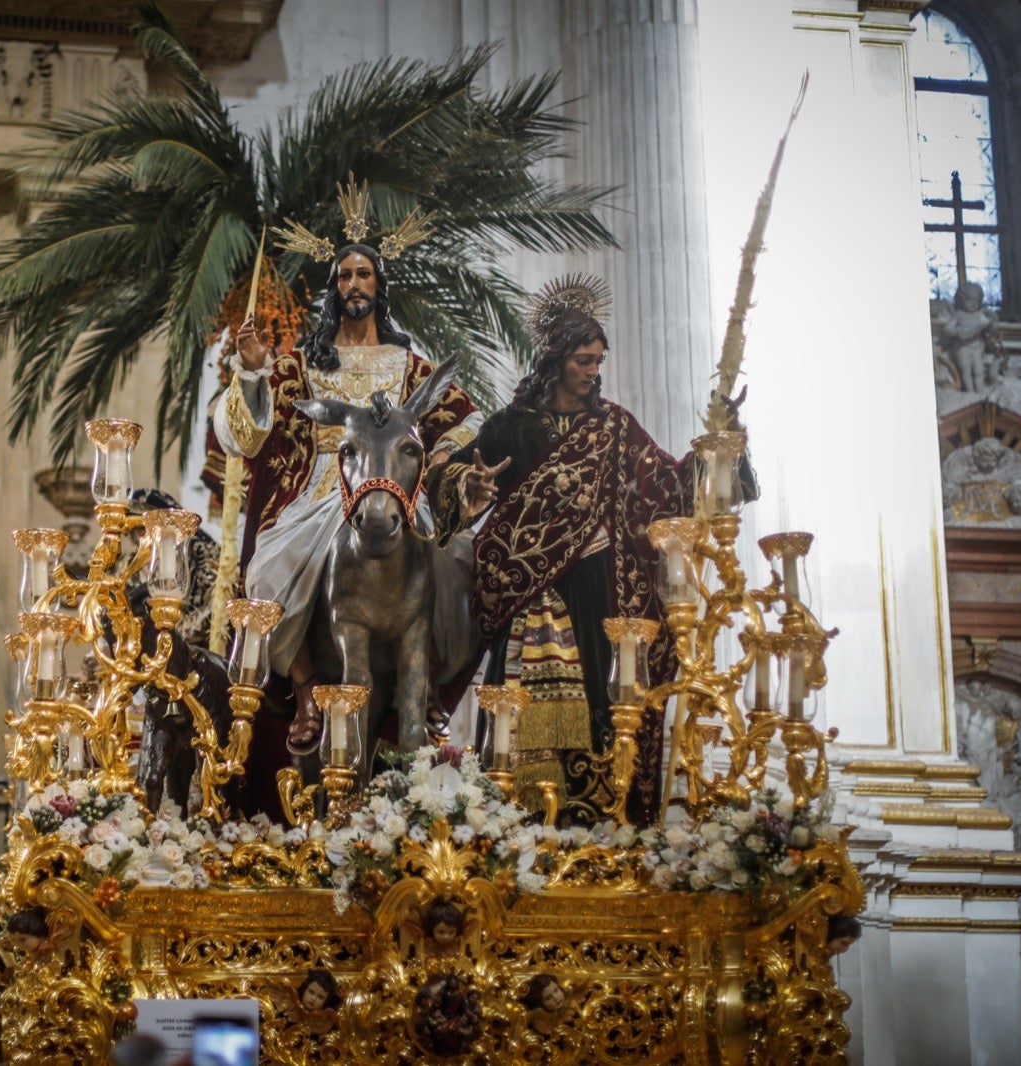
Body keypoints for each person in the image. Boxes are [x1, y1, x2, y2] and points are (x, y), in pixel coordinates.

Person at [425, 279, 701, 822]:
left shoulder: (614, 427)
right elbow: (453, 477)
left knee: (601, 695)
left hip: (595, 584)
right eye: (582, 360)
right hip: (526, 584)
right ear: (554, 360)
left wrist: (716, 460)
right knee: (516, 701)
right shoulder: (510, 425)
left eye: (598, 360)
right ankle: (513, 814)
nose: (593, 371)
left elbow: (665, 483)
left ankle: (595, 812)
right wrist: (471, 489)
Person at [210, 244, 481, 753]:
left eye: (364, 274)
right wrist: (250, 374)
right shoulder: (305, 364)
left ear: (379, 286)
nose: (354, 284)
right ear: (334, 289)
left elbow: (467, 418)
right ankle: (307, 689)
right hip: (324, 489)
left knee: (455, 558)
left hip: (397, 490)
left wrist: (441, 455)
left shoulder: (408, 367)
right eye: (344, 276)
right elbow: (244, 437)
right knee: (267, 572)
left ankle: (420, 688)